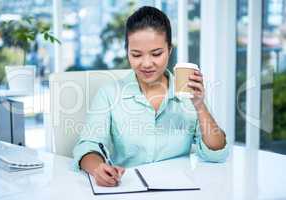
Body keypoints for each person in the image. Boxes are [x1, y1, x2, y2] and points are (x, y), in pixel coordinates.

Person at [73, 6, 228, 187]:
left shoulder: (188, 93)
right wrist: (98, 168)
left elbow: (217, 153)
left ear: (169, 50)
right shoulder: (109, 93)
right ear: (127, 52)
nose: (146, 64)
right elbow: (88, 146)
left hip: (178, 190)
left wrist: (200, 106)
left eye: (156, 54)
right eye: (136, 54)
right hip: (128, 188)